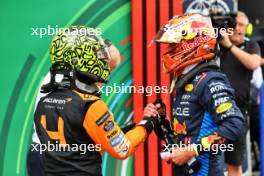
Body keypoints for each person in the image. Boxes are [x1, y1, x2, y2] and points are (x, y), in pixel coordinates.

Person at [33, 26, 158, 176]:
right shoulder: (90, 104)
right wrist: (147, 124)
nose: (103, 59)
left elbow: (78, 137)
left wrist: (115, 132)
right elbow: (123, 149)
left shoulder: (46, 99)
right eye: (97, 54)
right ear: (80, 58)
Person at [144, 13, 245, 176]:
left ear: (192, 43)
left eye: (173, 45)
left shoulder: (210, 81)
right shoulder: (186, 80)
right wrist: (159, 120)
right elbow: (183, 136)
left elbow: (235, 126)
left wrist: (192, 151)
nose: (168, 51)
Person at [219, 11, 262, 175]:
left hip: (236, 114)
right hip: (210, 113)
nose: (237, 29)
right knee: (206, 159)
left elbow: (253, 63)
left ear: (248, 28)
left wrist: (230, 46)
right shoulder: (216, 46)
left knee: (234, 163)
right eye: (234, 24)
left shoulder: (251, 46)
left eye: (242, 25)